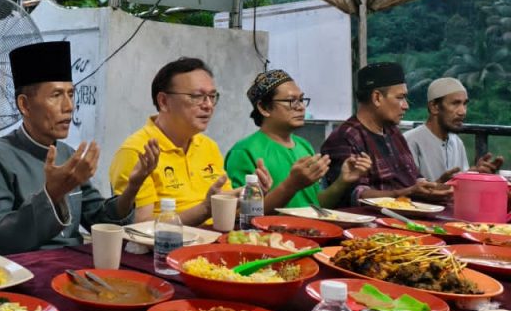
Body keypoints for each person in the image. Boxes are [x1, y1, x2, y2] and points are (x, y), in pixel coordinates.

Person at [0, 40, 158, 255]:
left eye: (71, 94)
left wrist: (132, 188)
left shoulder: (67, 154)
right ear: (24, 105)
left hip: (72, 264)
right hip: (24, 270)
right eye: (56, 95)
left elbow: (99, 221)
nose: (69, 106)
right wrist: (53, 193)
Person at [109, 57, 267, 227]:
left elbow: (223, 203)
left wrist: (250, 195)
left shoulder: (208, 146)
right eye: (197, 96)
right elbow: (141, 228)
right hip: (166, 248)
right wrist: (206, 209)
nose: (208, 105)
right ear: (163, 101)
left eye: (212, 96)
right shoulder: (138, 151)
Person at [225, 69, 371, 210]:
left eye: (301, 100)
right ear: (264, 108)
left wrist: (342, 181)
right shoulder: (244, 151)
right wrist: (292, 185)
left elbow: (315, 205)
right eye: (291, 101)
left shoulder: (304, 146)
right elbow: (241, 212)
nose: (301, 107)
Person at [321, 62, 452, 203]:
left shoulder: (393, 132)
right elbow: (356, 196)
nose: (406, 106)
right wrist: (406, 193)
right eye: (400, 97)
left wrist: (437, 187)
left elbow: (414, 178)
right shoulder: (345, 137)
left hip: (408, 217)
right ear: (377, 98)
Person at [404, 77, 503, 181]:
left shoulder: (457, 142)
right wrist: (440, 185)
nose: (462, 112)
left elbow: (457, 184)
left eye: (464, 104)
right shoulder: (409, 142)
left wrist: (474, 174)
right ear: (434, 107)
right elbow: (408, 190)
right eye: (455, 103)